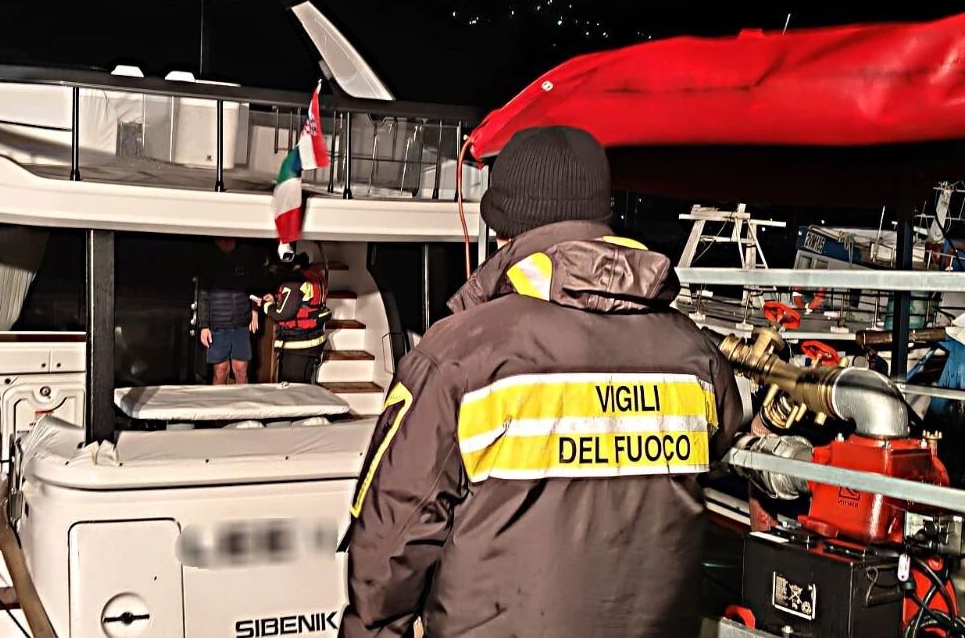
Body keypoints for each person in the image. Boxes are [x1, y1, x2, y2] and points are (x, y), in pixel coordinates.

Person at [340, 126, 742, 638]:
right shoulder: (694, 352)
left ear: (505, 230)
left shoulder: (459, 355)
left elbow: (391, 542)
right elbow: (719, 446)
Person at [196, 237, 259, 384]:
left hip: (241, 324)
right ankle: (218, 399)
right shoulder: (209, 260)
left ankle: (242, 399)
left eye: (229, 239)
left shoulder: (245, 258)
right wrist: (204, 326)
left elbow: (254, 288)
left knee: (240, 369)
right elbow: (203, 296)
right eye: (222, 239)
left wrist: (255, 312)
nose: (226, 242)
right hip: (218, 325)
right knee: (220, 371)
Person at [261, 253, 329, 383]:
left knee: (292, 389)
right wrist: (276, 299)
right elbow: (302, 303)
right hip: (312, 341)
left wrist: (266, 305)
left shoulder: (294, 281)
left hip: (298, 345)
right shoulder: (315, 276)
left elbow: (282, 314)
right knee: (304, 386)